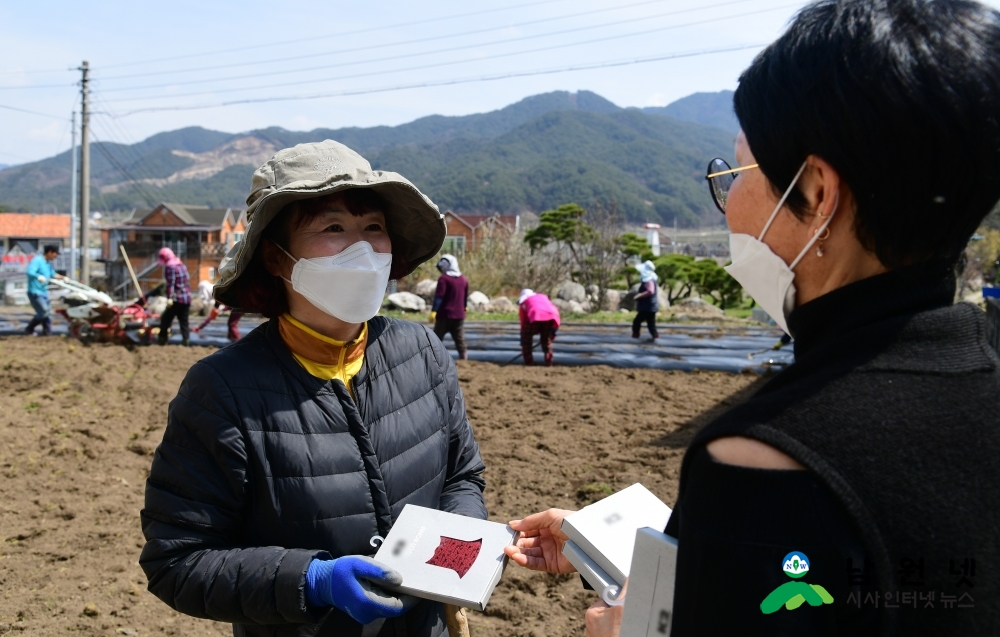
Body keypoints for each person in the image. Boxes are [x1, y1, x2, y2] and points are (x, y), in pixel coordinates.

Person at [504, 1, 1000, 635]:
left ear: (817, 193)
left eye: (734, 171)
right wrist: (663, 550)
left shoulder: (768, 453)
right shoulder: (977, 372)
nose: (728, 202)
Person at [139, 140, 486, 637]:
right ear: (277, 259)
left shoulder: (421, 352)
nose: (363, 250)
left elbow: (462, 476)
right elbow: (177, 559)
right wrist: (312, 580)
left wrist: (458, 546)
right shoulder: (223, 389)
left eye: (374, 228)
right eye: (333, 228)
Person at [430, 253, 469, 360]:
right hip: (459, 315)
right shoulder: (463, 280)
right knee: (460, 339)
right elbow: (465, 297)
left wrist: (434, 310)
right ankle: (464, 359)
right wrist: (465, 307)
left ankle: (434, 360)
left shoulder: (444, 279)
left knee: (437, 339)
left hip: (444, 315)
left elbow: (439, 296)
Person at [24, 245, 64, 336]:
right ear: (49, 252)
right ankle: (29, 328)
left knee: (48, 314)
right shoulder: (37, 261)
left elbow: (53, 274)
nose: (56, 256)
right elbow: (29, 272)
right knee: (44, 312)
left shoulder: (47, 263)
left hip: (44, 292)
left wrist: (64, 278)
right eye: (55, 254)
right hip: (35, 292)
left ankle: (47, 333)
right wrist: (38, 276)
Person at [155, 247, 192, 346]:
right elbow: (187, 279)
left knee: (166, 319)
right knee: (184, 322)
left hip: (176, 299)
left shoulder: (170, 267)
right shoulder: (181, 264)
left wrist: (170, 298)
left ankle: (162, 340)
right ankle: (186, 341)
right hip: (187, 298)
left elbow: (170, 283)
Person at [517, 288, 560, 366]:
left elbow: (523, 322)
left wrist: (523, 340)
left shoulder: (524, 303)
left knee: (527, 338)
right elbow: (554, 312)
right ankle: (549, 361)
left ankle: (529, 362)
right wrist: (553, 332)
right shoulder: (544, 298)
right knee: (546, 339)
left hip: (535, 315)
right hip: (552, 316)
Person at [631, 260, 659, 339]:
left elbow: (650, 291)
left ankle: (635, 335)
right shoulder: (651, 279)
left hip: (647, 306)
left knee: (637, 321)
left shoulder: (649, 280)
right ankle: (655, 335)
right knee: (651, 323)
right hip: (650, 306)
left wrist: (639, 296)